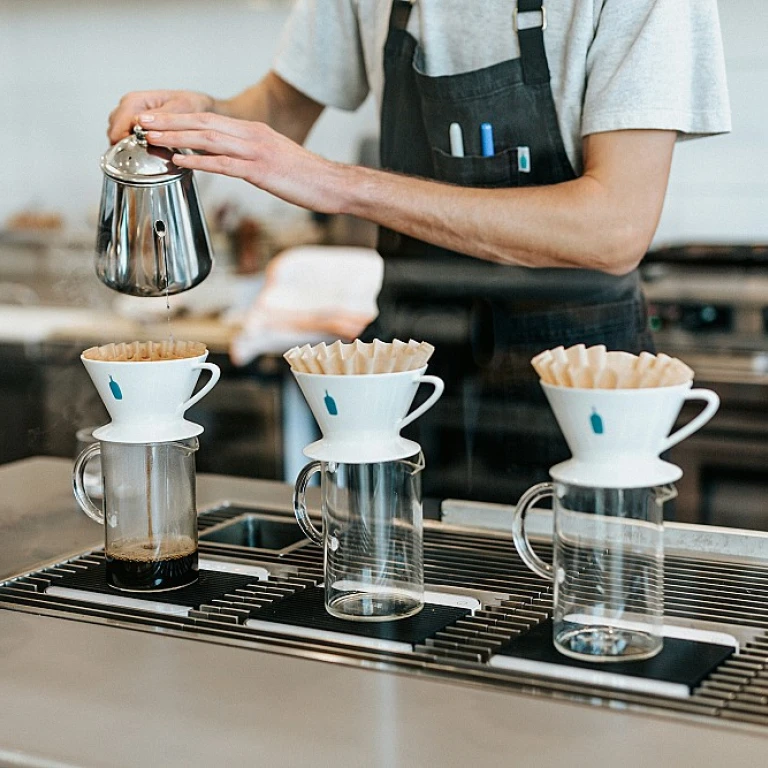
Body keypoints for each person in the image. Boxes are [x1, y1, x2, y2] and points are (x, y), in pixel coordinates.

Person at [109, 0, 730, 505]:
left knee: (573, 621)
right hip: (409, 376)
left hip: (579, 386)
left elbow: (613, 230)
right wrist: (206, 115)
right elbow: (282, 106)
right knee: (392, 603)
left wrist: (339, 183)